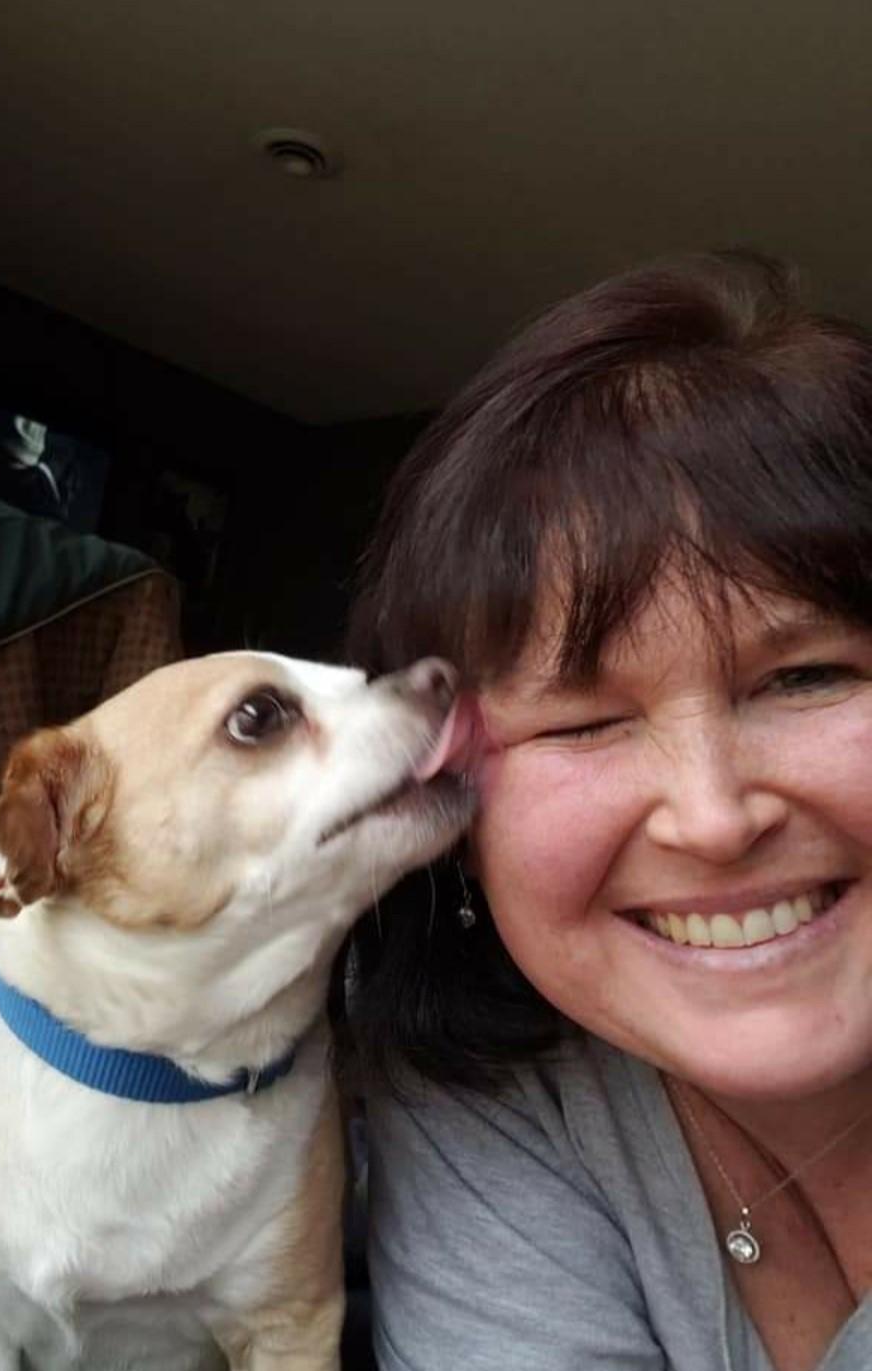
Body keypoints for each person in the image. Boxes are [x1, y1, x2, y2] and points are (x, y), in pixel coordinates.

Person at [346, 252, 872, 1371]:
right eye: (581, 722)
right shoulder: (495, 1098)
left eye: (807, 677)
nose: (713, 818)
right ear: (449, 811)